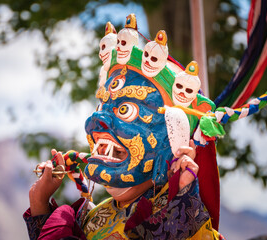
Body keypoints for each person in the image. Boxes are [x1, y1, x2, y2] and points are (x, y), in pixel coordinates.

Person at [24, 14, 224, 239]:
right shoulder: (92, 219)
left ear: (172, 141)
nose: (96, 122)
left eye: (126, 110)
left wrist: (181, 205)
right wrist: (39, 202)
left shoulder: (191, 226)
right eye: (103, 106)